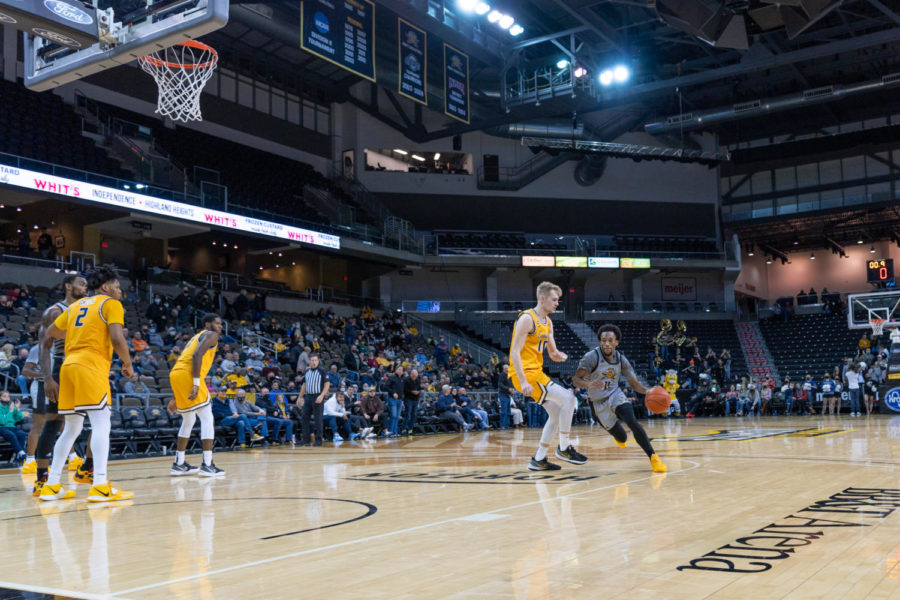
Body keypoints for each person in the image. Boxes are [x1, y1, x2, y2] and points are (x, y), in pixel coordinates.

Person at [41, 265, 134, 502]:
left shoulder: (76, 306)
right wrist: (127, 362)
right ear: (105, 287)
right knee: (102, 425)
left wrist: (79, 331)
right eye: (117, 286)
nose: (120, 291)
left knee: (72, 428)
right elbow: (116, 337)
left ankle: (51, 485)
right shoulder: (110, 304)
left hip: (68, 367)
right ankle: (100, 485)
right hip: (90, 367)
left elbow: (51, 332)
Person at [510, 282, 587, 471]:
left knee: (555, 413)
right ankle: (564, 447)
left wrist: (559, 355)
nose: (556, 303)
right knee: (569, 398)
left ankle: (539, 458)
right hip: (526, 375)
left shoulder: (548, 322)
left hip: (537, 373)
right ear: (542, 299)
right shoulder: (527, 319)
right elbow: (514, 352)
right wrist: (522, 381)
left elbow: (552, 352)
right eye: (554, 300)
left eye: (557, 300)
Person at [573, 324, 667, 473]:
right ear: (600, 341)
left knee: (632, 421)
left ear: (617, 342)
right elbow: (576, 380)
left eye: (610, 340)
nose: (607, 343)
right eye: (603, 340)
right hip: (597, 403)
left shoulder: (621, 360)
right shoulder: (591, 357)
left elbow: (634, 384)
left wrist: (648, 391)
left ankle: (653, 457)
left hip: (615, 394)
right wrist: (589, 383)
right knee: (622, 438)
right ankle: (620, 437)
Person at [30, 274, 91, 493]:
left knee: (96, 417)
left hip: (84, 369)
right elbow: (44, 347)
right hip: (61, 369)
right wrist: (48, 378)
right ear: (68, 286)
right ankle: (41, 480)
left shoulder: (87, 309)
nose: (85, 287)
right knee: (54, 421)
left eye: (86, 285)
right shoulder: (54, 312)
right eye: (81, 284)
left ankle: (88, 469)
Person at [167, 313, 225, 477]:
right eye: (217, 323)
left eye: (221, 324)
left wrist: (175, 397)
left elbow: (186, 358)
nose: (220, 327)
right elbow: (196, 355)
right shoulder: (211, 335)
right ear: (208, 324)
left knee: (189, 419)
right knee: (207, 417)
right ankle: (207, 464)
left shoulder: (196, 337)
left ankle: (179, 463)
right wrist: (196, 383)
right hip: (188, 375)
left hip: (177, 374)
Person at [297, 354, 329, 446]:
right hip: (308, 396)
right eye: (312, 360)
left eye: (315, 360)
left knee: (318, 419)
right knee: (304, 417)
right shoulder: (307, 371)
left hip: (317, 396)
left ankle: (319, 440)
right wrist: (300, 397)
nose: (314, 362)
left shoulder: (322, 371)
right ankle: (305, 440)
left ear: (318, 361)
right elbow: (304, 385)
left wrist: (322, 395)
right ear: (309, 361)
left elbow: (327, 384)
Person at [0, 390, 27, 463]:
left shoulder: (11, 407)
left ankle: (19, 455)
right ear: (0, 398)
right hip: (2, 428)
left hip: (12, 427)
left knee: (22, 434)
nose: (7, 398)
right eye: (4, 396)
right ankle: (21, 453)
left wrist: (18, 408)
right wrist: (10, 411)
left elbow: (20, 418)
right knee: (11, 435)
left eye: (8, 396)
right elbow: (2, 422)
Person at [402, 368, 421, 435]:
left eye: (416, 376)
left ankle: (410, 429)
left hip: (415, 400)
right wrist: (412, 392)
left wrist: (418, 393)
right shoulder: (406, 380)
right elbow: (404, 390)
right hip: (408, 399)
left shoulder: (418, 380)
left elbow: (419, 389)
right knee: (408, 414)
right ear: (411, 374)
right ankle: (404, 429)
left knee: (414, 414)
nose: (415, 377)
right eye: (413, 375)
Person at [497, 364, 514, 429]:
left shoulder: (509, 375)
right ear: (503, 369)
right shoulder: (501, 375)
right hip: (503, 395)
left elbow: (511, 384)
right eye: (506, 368)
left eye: (508, 368)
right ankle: (502, 425)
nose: (507, 369)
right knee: (503, 411)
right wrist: (508, 388)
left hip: (508, 395)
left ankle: (507, 425)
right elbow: (500, 384)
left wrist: (512, 388)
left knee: (508, 411)